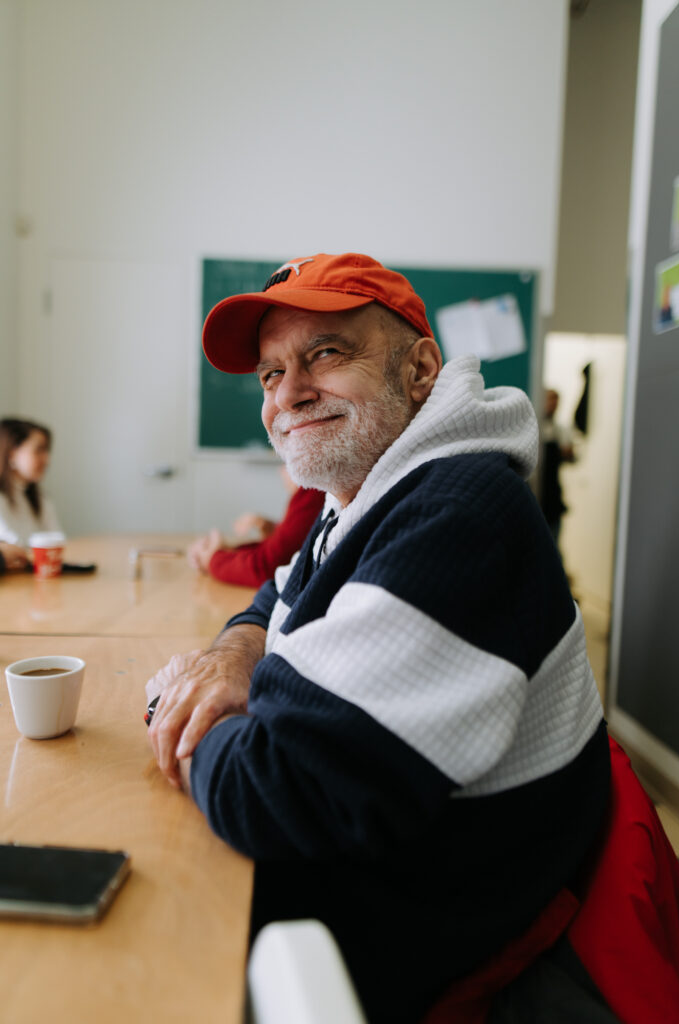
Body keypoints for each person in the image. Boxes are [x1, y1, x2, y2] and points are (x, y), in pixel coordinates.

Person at [146, 253, 611, 1022]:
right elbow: (279, 587)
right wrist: (232, 656)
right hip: (362, 879)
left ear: (420, 369)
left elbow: (275, 790)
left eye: (324, 354)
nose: (286, 394)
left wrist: (177, 707)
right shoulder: (368, 490)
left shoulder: (458, 512)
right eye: (268, 374)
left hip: (389, 939)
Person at [187, 468, 324, 587]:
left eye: (286, 461)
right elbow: (290, 550)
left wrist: (212, 559)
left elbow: (268, 567)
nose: (281, 470)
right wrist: (227, 552)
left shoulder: (313, 486)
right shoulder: (314, 487)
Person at [0, 418, 61, 546]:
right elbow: (14, 549)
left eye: (47, 450)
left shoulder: (38, 498)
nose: (47, 460)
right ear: (11, 454)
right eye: (39, 450)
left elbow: (57, 539)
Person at [538, 388, 576, 547]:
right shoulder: (534, 427)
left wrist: (567, 453)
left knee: (553, 544)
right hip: (537, 492)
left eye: (556, 400)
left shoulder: (561, 430)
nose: (553, 404)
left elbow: (573, 458)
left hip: (553, 495)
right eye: (550, 399)